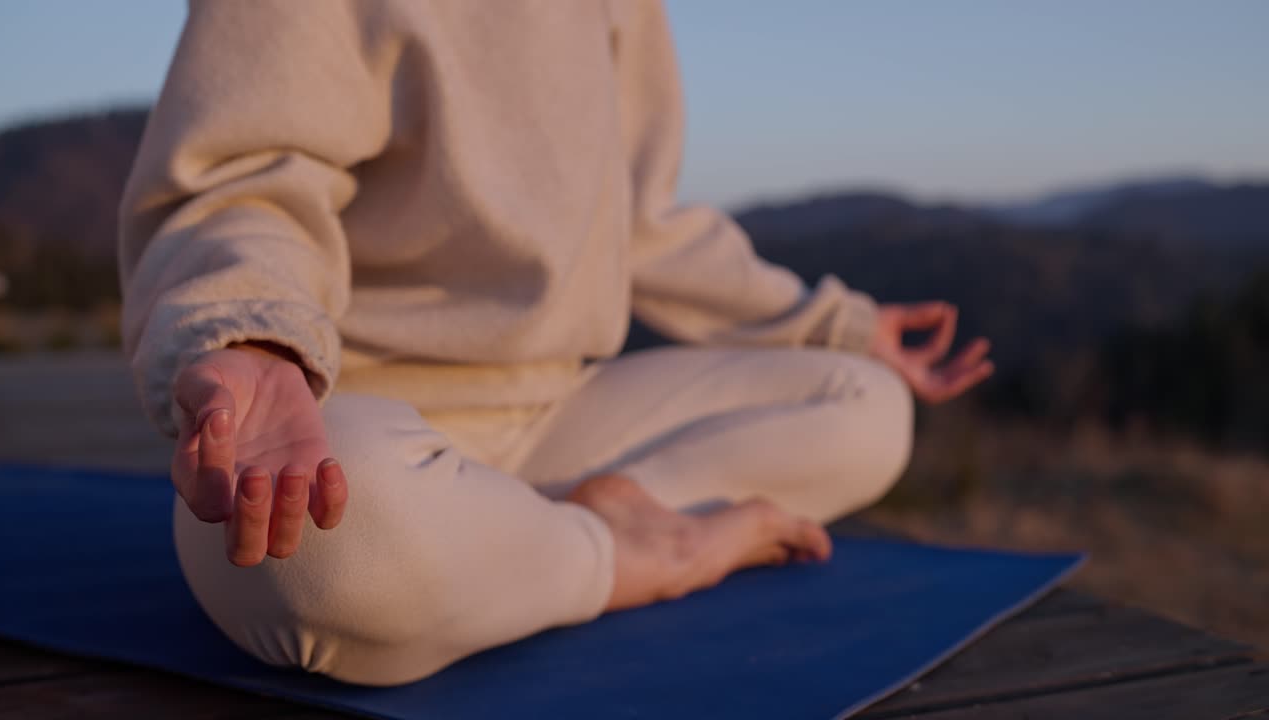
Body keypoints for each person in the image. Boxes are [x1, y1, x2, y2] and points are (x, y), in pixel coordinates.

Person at [119, 0, 993, 687]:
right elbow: (245, 180)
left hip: (560, 409)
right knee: (319, 546)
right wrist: (258, 338)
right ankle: (623, 553)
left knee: (865, 405)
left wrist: (837, 326)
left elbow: (644, 224)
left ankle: (553, 535)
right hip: (351, 417)